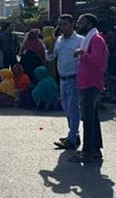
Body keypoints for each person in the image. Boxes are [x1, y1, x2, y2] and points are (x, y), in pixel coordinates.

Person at [69, 14, 109, 163]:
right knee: (91, 118)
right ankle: (94, 149)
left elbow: (99, 61)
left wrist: (82, 54)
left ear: (90, 24)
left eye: (81, 22)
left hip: (91, 84)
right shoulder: (90, 39)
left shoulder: (96, 39)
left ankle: (88, 152)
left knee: (87, 118)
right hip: (86, 82)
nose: (78, 25)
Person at [47, 15, 84, 151]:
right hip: (62, 79)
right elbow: (50, 57)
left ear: (72, 24)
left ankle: (72, 138)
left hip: (74, 78)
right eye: (60, 24)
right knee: (66, 108)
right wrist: (53, 39)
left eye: (65, 24)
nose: (62, 27)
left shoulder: (80, 40)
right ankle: (73, 134)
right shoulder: (59, 41)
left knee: (73, 109)